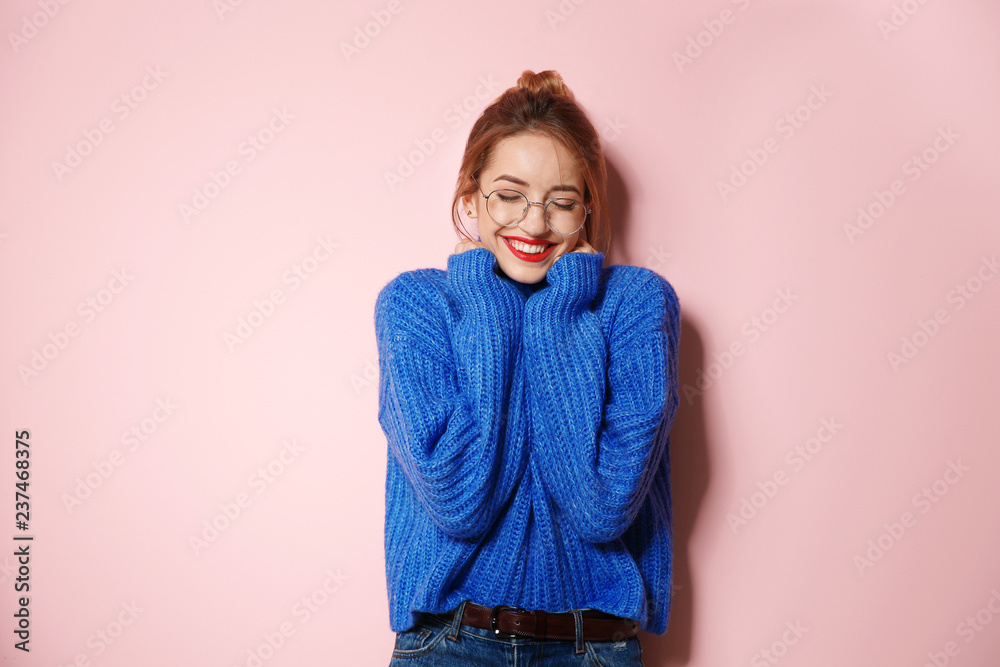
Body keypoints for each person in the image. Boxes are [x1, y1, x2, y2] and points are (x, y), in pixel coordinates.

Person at [374, 69, 680, 666]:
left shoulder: (637, 304)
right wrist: (489, 307)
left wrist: (558, 311)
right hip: (450, 645)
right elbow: (459, 501)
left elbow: (600, 507)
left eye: (561, 202)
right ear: (471, 197)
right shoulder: (415, 305)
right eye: (509, 195)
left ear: (587, 207)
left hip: (593, 650)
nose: (534, 224)